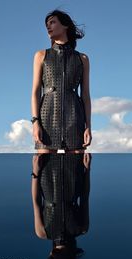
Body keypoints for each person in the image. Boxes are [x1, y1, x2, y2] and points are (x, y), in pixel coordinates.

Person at [31, 9, 92, 153]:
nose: (48, 26)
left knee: (77, 171)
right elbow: (35, 92)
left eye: (52, 22)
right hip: (47, 116)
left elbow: (86, 96)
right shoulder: (41, 55)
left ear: (65, 26)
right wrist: (35, 122)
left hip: (75, 118)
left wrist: (88, 126)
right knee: (42, 171)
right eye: (47, 24)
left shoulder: (82, 59)